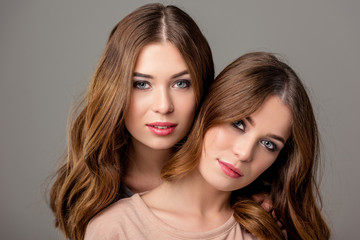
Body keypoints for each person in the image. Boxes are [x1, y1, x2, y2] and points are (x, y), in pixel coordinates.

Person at [84, 52, 330, 240]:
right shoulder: (115, 227)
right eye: (238, 124)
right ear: (208, 111)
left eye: (268, 144)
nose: (244, 153)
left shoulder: (267, 231)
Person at [49, 3, 214, 240]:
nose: (164, 105)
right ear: (114, 89)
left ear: (203, 87)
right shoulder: (92, 189)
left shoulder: (230, 176)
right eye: (141, 84)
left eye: (181, 83)